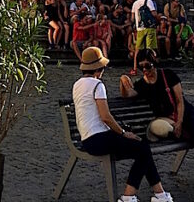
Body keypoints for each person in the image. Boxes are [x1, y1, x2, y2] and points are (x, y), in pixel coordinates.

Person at [120, 50, 194, 198]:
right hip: (167, 122)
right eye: (142, 68)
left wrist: (179, 121)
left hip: (185, 114)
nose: (146, 70)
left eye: (148, 65)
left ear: (155, 63)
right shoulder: (142, 85)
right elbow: (127, 94)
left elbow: (180, 101)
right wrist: (122, 81)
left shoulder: (168, 75)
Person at [72, 46, 173, 202]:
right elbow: (105, 116)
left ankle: (160, 194)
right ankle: (128, 196)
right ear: (100, 68)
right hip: (99, 138)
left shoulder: (77, 85)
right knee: (143, 148)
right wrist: (123, 133)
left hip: (87, 139)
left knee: (142, 148)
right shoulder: (98, 86)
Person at [131, 0, 159, 75]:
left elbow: (132, 18)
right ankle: (151, 67)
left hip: (140, 29)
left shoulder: (135, 3)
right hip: (149, 27)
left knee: (138, 49)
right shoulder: (149, 2)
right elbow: (154, 13)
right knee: (150, 48)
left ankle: (134, 69)